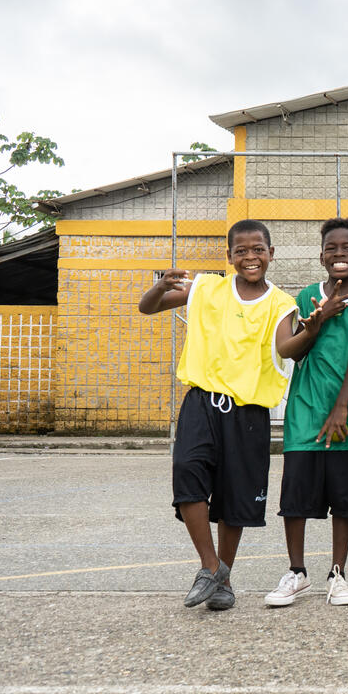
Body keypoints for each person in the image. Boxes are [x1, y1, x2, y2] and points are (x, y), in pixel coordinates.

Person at [138, 219, 302, 611]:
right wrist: (160, 286)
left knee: (235, 498)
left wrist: (311, 328)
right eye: (241, 250)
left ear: (271, 254)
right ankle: (210, 567)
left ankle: (222, 579)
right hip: (202, 401)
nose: (250, 257)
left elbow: (287, 346)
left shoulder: (281, 303)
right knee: (188, 473)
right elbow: (148, 308)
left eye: (258, 249)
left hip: (248, 412)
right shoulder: (208, 288)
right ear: (229, 256)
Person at [262, 219, 348, 607]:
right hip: (306, 407)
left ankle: (338, 573)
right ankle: (296, 572)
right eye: (331, 249)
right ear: (321, 256)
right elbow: (293, 351)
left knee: (345, 498)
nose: (339, 255)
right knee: (296, 496)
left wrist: (341, 407)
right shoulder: (305, 297)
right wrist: (318, 320)